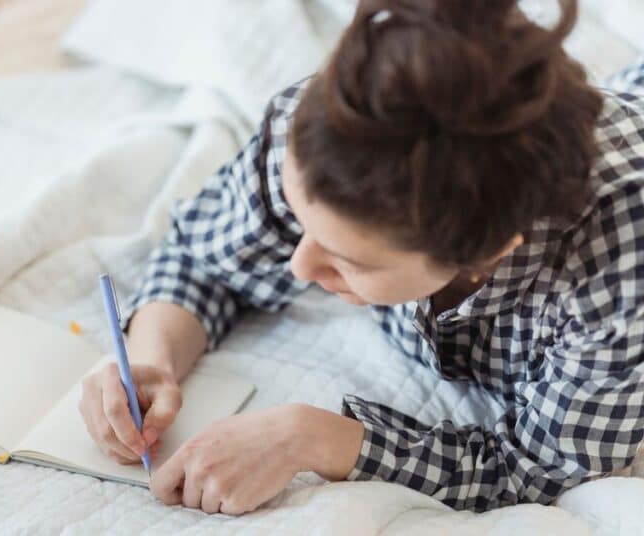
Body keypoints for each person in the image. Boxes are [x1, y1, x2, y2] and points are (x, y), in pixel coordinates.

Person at [78, 0, 644, 515]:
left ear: (484, 252)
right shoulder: (327, 129)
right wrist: (151, 356)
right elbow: (207, 257)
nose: (299, 267)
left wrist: (315, 438)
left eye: (351, 261)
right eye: (301, 223)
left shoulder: (618, 278)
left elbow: (538, 472)